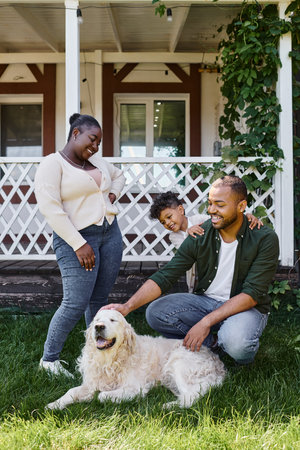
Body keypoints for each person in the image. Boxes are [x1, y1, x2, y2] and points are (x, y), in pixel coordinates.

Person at [102, 175, 279, 366]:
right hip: (206, 301)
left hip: (245, 307)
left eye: (219, 205)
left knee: (237, 344)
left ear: (241, 206)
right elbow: (166, 274)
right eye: (210, 203)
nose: (212, 210)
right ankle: (213, 346)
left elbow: (251, 295)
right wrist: (127, 306)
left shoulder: (264, 238)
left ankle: (243, 360)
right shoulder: (200, 234)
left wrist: (205, 323)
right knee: (156, 312)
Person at [35, 113, 125, 377]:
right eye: (92, 139)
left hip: (110, 234)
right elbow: (50, 209)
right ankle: (49, 360)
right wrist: (78, 243)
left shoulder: (94, 161)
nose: (95, 146)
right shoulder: (53, 164)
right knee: (75, 302)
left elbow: (119, 176)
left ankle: (98, 356)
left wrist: (111, 195)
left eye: (98, 142)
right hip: (76, 238)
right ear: (76, 133)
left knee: (98, 300)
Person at [149, 191, 263, 293]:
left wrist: (245, 216)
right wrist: (189, 232)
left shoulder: (199, 220)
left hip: (215, 266)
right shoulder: (174, 236)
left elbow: (220, 221)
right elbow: (187, 250)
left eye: (169, 217)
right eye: (163, 222)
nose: (167, 223)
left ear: (180, 210)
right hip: (197, 278)